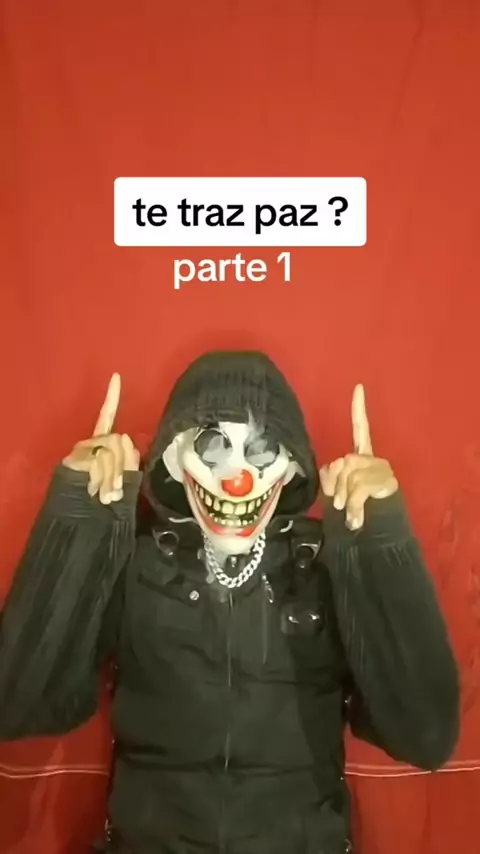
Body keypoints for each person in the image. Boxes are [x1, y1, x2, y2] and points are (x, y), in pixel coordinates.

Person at [0, 351, 460, 854]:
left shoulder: (325, 565)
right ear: (174, 461)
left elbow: (424, 736)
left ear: (291, 466)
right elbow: (20, 703)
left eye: (260, 449)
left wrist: (377, 541)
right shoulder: (137, 561)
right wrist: (78, 518)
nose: (235, 478)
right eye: (212, 446)